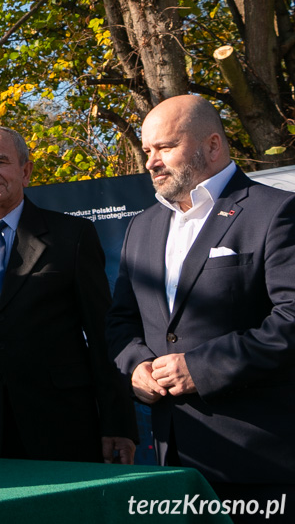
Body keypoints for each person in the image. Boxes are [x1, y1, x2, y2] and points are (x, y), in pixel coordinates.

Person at [106, 95, 295, 510]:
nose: (152, 162)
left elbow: (291, 319)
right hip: (172, 464)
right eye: (147, 151)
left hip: (260, 465)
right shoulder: (142, 227)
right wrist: (136, 365)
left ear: (212, 145)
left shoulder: (276, 212)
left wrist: (201, 368)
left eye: (165, 147)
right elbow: (121, 320)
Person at [0, 126, 137, 463]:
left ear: (26, 170)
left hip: (64, 425)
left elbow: (102, 335)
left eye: (1, 161)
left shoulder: (73, 236)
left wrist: (118, 424)